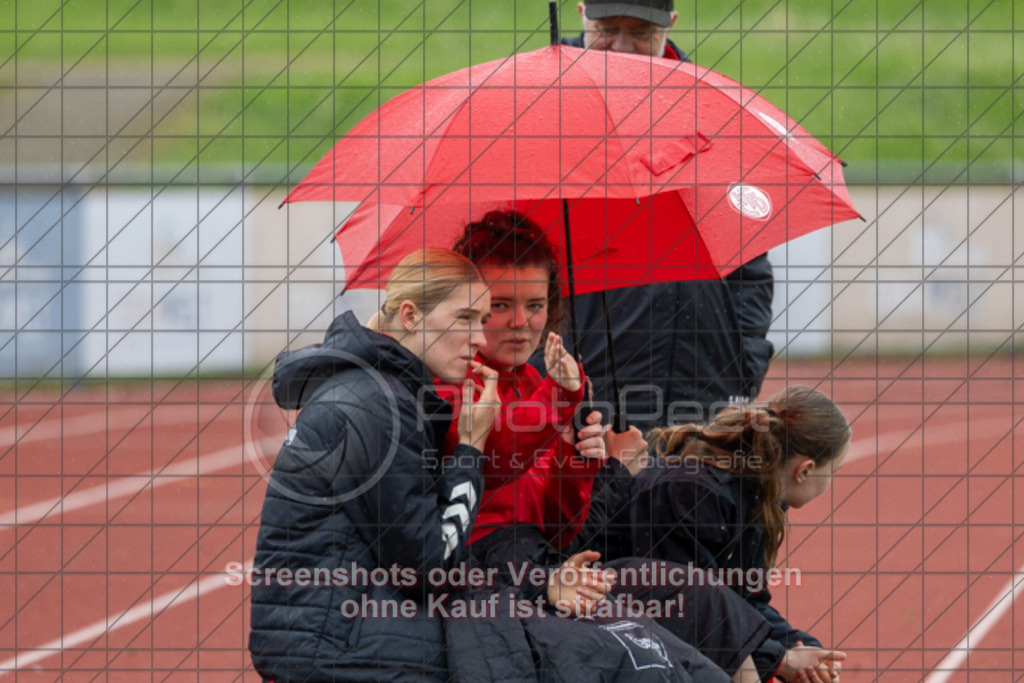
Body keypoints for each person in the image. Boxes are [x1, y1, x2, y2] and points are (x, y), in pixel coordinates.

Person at [453, 212, 774, 683]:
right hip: (496, 580)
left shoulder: (536, 381)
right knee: (675, 663)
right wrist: (569, 414)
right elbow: (496, 459)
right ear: (469, 305)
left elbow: (560, 527)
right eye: (501, 305)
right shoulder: (461, 379)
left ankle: (774, 653)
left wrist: (581, 462)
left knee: (704, 601)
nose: (521, 323)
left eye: (536, 304)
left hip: (546, 562)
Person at [556, 0, 776, 430]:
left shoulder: (715, 115)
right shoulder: (532, 109)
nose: (621, 48)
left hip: (699, 395)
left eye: (641, 31)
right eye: (606, 27)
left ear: (670, 24)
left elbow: (747, 264)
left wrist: (744, 364)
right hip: (575, 396)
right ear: (581, 12)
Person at [632, 385, 852, 682]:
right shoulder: (695, 493)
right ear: (805, 469)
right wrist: (778, 659)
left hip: (666, 619)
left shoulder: (754, 496)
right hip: (609, 616)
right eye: (832, 472)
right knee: (743, 668)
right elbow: (688, 608)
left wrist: (798, 646)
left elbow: (743, 600)